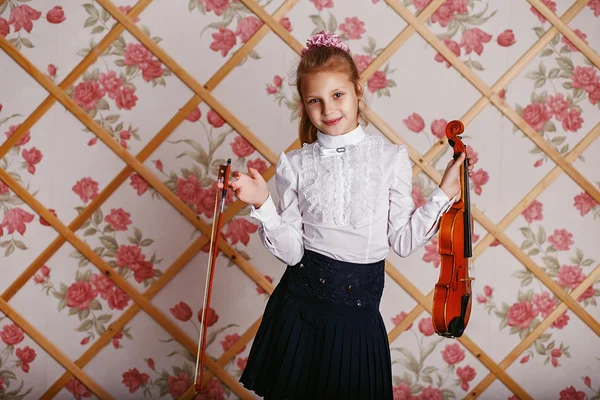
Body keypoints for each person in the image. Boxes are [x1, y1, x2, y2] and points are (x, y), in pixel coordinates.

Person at [220, 31, 473, 400]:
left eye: (337, 95)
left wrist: (442, 195)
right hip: (298, 314)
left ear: (358, 91)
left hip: (358, 322)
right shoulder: (294, 164)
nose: (328, 109)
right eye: (315, 101)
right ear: (304, 106)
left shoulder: (390, 159)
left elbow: (402, 242)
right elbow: (292, 253)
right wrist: (263, 205)